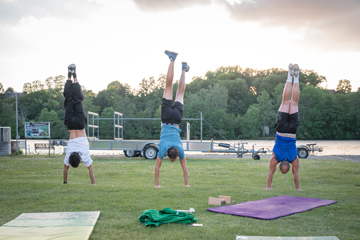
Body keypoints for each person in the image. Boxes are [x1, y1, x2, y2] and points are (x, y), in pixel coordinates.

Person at [154, 50, 190, 188]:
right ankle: (172, 60)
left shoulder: (180, 149)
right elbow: (156, 168)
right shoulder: (162, 149)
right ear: (169, 155)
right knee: (168, 87)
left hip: (176, 120)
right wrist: (156, 184)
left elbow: (184, 167)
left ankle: (183, 69)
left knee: (180, 92)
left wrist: (187, 184)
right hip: (166, 118)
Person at [266, 63, 302, 191]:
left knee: (294, 102)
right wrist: (267, 187)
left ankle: (296, 77)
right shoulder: (275, 157)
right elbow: (270, 173)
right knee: (286, 101)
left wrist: (298, 188)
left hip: (291, 131)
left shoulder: (294, 158)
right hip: (281, 129)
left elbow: (296, 174)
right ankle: (289, 75)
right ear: (280, 165)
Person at [63, 64, 95, 185]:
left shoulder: (85, 156)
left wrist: (93, 183)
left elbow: (90, 169)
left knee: (77, 99)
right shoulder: (69, 155)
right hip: (71, 124)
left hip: (80, 125)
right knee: (69, 98)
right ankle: (69, 77)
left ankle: (74, 76)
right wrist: (64, 181)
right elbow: (65, 169)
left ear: (80, 159)